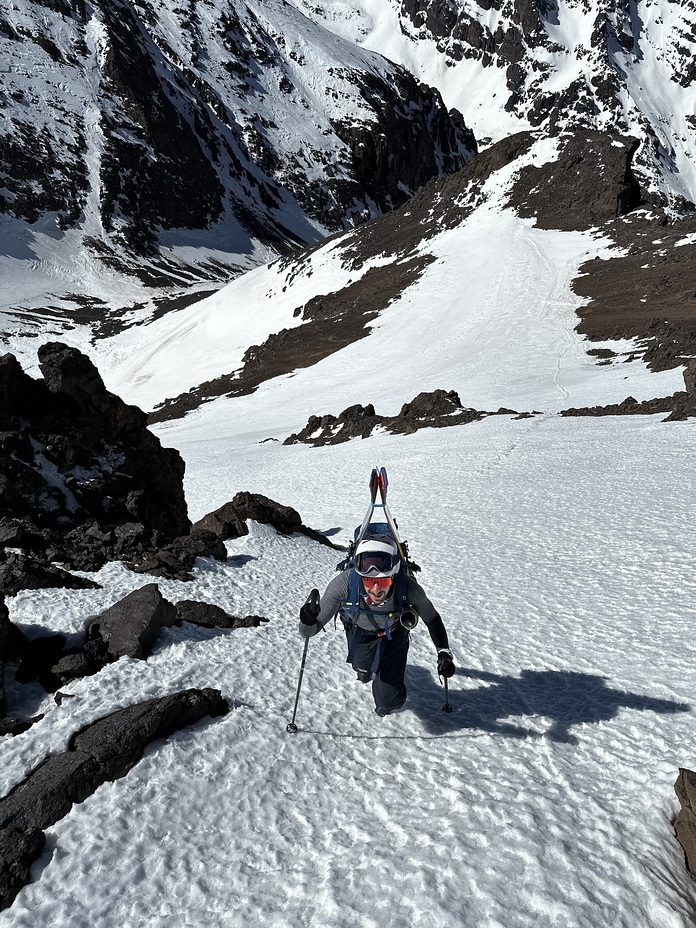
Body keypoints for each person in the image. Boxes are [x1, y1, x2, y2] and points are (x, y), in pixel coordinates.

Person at [298, 533, 455, 717]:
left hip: (395, 635)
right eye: (369, 580)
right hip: (360, 631)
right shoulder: (344, 585)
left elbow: (432, 618)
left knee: (386, 704)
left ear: (393, 576)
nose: (376, 589)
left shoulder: (408, 588)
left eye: (383, 581)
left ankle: (393, 688)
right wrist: (307, 620)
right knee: (362, 669)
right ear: (361, 576)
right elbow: (308, 632)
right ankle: (366, 668)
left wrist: (443, 652)